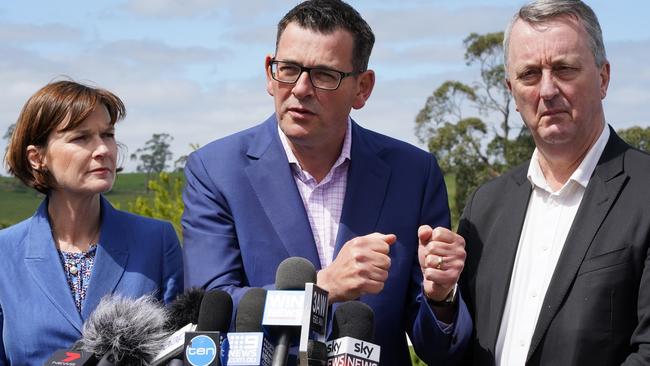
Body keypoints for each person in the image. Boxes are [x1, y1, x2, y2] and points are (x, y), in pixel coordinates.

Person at [182, 0, 471, 364]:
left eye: (323, 75)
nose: (300, 88)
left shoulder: (413, 173)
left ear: (362, 88)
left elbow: (442, 350)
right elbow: (211, 314)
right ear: (269, 75)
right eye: (287, 69)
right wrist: (322, 288)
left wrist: (441, 297)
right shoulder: (216, 170)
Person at [456, 0, 650, 365]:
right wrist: (440, 299)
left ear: (603, 77)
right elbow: (457, 346)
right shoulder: (485, 207)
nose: (547, 90)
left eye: (564, 69)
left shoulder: (645, 192)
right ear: (511, 91)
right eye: (529, 74)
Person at [0, 80, 184, 365]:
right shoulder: (4, 253)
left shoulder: (156, 241)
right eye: (81, 138)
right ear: (37, 158)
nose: (103, 149)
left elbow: (177, 352)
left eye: (107, 134)